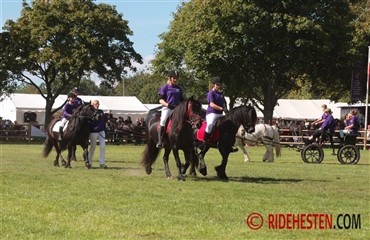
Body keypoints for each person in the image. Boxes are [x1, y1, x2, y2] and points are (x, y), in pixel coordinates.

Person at [156, 70, 184, 148]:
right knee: (163, 120)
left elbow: (182, 100)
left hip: (177, 109)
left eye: (176, 78)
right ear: (170, 78)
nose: (175, 79)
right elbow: (160, 100)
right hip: (167, 108)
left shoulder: (179, 88)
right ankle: (160, 141)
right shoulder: (165, 87)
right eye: (174, 78)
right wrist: (167, 105)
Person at [203, 77, 227, 143]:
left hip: (220, 114)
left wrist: (225, 108)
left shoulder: (221, 94)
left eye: (220, 85)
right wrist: (221, 108)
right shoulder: (211, 93)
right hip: (212, 113)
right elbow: (212, 104)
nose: (219, 86)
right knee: (210, 126)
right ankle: (204, 141)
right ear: (214, 85)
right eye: (217, 85)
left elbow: (224, 103)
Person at [88, 99, 108, 169]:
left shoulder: (101, 112)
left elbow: (103, 122)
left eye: (98, 104)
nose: (97, 105)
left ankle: (102, 163)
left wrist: (105, 130)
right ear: (92, 104)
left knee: (103, 147)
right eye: (96, 104)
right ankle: (89, 163)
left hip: (101, 131)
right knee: (93, 147)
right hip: (93, 132)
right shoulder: (90, 112)